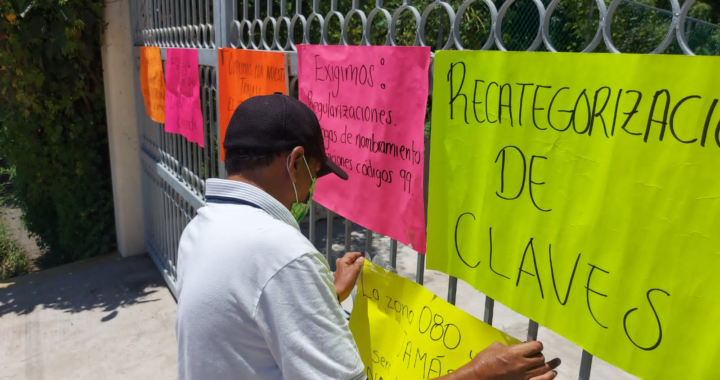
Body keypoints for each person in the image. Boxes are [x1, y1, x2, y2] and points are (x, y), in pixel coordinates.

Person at [175, 93, 561, 380]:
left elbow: (245, 325)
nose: (310, 192)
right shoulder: (281, 254)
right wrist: (482, 373)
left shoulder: (202, 228)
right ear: (293, 162)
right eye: (313, 173)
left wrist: (324, 296)